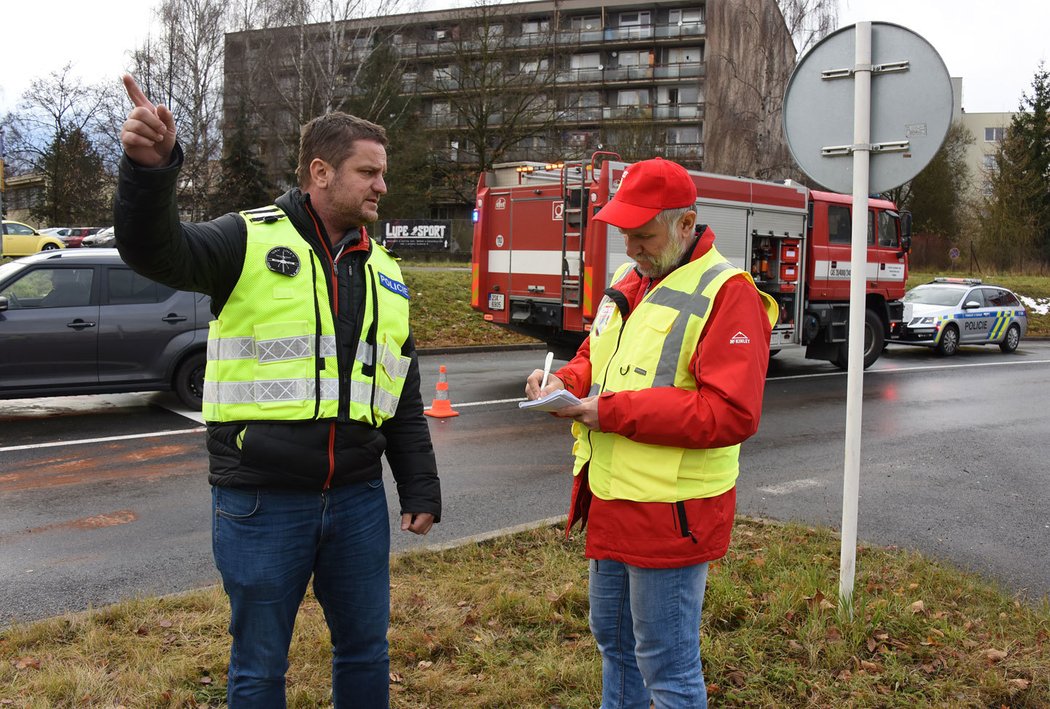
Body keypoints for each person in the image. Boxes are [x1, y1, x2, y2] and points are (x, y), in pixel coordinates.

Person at [115, 74, 441, 707]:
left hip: (356, 500)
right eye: (368, 172)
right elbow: (155, 251)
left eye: (382, 173)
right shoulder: (247, 238)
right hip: (262, 503)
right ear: (320, 172)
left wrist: (420, 486)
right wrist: (150, 173)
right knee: (261, 667)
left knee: (368, 651)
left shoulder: (386, 270)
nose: (382, 186)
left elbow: (399, 388)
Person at [524, 157, 777, 708]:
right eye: (624, 235)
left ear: (686, 224)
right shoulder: (629, 279)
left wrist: (605, 411)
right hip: (613, 498)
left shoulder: (728, 292)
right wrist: (561, 381)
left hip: (673, 513)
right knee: (614, 645)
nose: (631, 248)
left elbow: (730, 413)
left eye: (644, 235)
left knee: (667, 666)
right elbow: (597, 354)